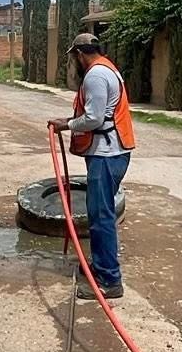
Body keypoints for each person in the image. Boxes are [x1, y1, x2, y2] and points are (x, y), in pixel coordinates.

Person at [49, 33, 136, 300]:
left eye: (74, 57)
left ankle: (110, 280)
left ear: (79, 54)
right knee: (100, 215)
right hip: (110, 152)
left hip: (106, 155)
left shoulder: (96, 75)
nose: (74, 62)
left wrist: (67, 124)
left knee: (101, 219)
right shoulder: (107, 69)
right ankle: (99, 268)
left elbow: (94, 118)